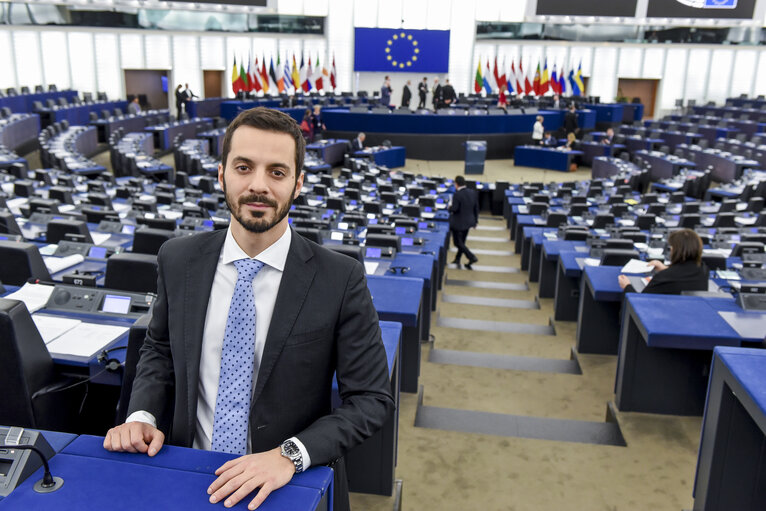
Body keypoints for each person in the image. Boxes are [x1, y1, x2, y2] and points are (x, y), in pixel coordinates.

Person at [103, 107, 394, 511]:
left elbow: (370, 398)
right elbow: (160, 349)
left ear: (298, 184)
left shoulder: (340, 278)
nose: (259, 185)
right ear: (222, 174)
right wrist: (142, 416)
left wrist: (289, 456)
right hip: (189, 474)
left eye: (277, 172)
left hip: (285, 485)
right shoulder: (178, 259)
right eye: (244, 167)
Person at [618, 228, 708, 295]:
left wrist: (626, 286)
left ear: (675, 250)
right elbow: (683, 273)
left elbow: (640, 300)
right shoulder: (703, 269)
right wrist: (665, 268)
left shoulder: (664, 277)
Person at [449, 175, 479, 270]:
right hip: (469, 222)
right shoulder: (472, 192)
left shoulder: (457, 194)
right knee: (462, 242)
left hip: (458, 223)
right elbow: (476, 208)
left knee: (457, 243)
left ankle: (471, 257)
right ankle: (457, 259)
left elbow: (454, 209)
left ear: (456, 184)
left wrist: (449, 207)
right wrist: (475, 221)